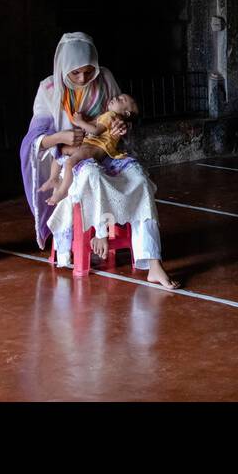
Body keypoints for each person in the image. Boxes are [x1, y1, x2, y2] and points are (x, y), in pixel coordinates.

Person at [19, 33, 178, 288]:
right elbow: (34, 141)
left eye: (87, 71)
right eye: (75, 74)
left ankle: (154, 262)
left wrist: (121, 130)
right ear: (62, 68)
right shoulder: (49, 89)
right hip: (71, 158)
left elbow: (121, 118)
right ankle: (101, 233)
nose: (83, 79)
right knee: (92, 176)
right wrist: (61, 135)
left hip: (107, 153)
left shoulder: (104, 78)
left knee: (140, 178)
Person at [41, 92, 140, 206]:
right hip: (90, 144)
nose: (116, 98)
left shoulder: (111, 116)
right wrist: (85, 122)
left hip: (96, 148)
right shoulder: (107, 115)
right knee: (62, 150)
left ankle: (63, 191)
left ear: (126, 113)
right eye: (117, 97)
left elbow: (96, 131)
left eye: (121, 100)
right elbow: (93, 124)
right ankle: (54, 179)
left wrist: (80, 122)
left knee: (69, 162)